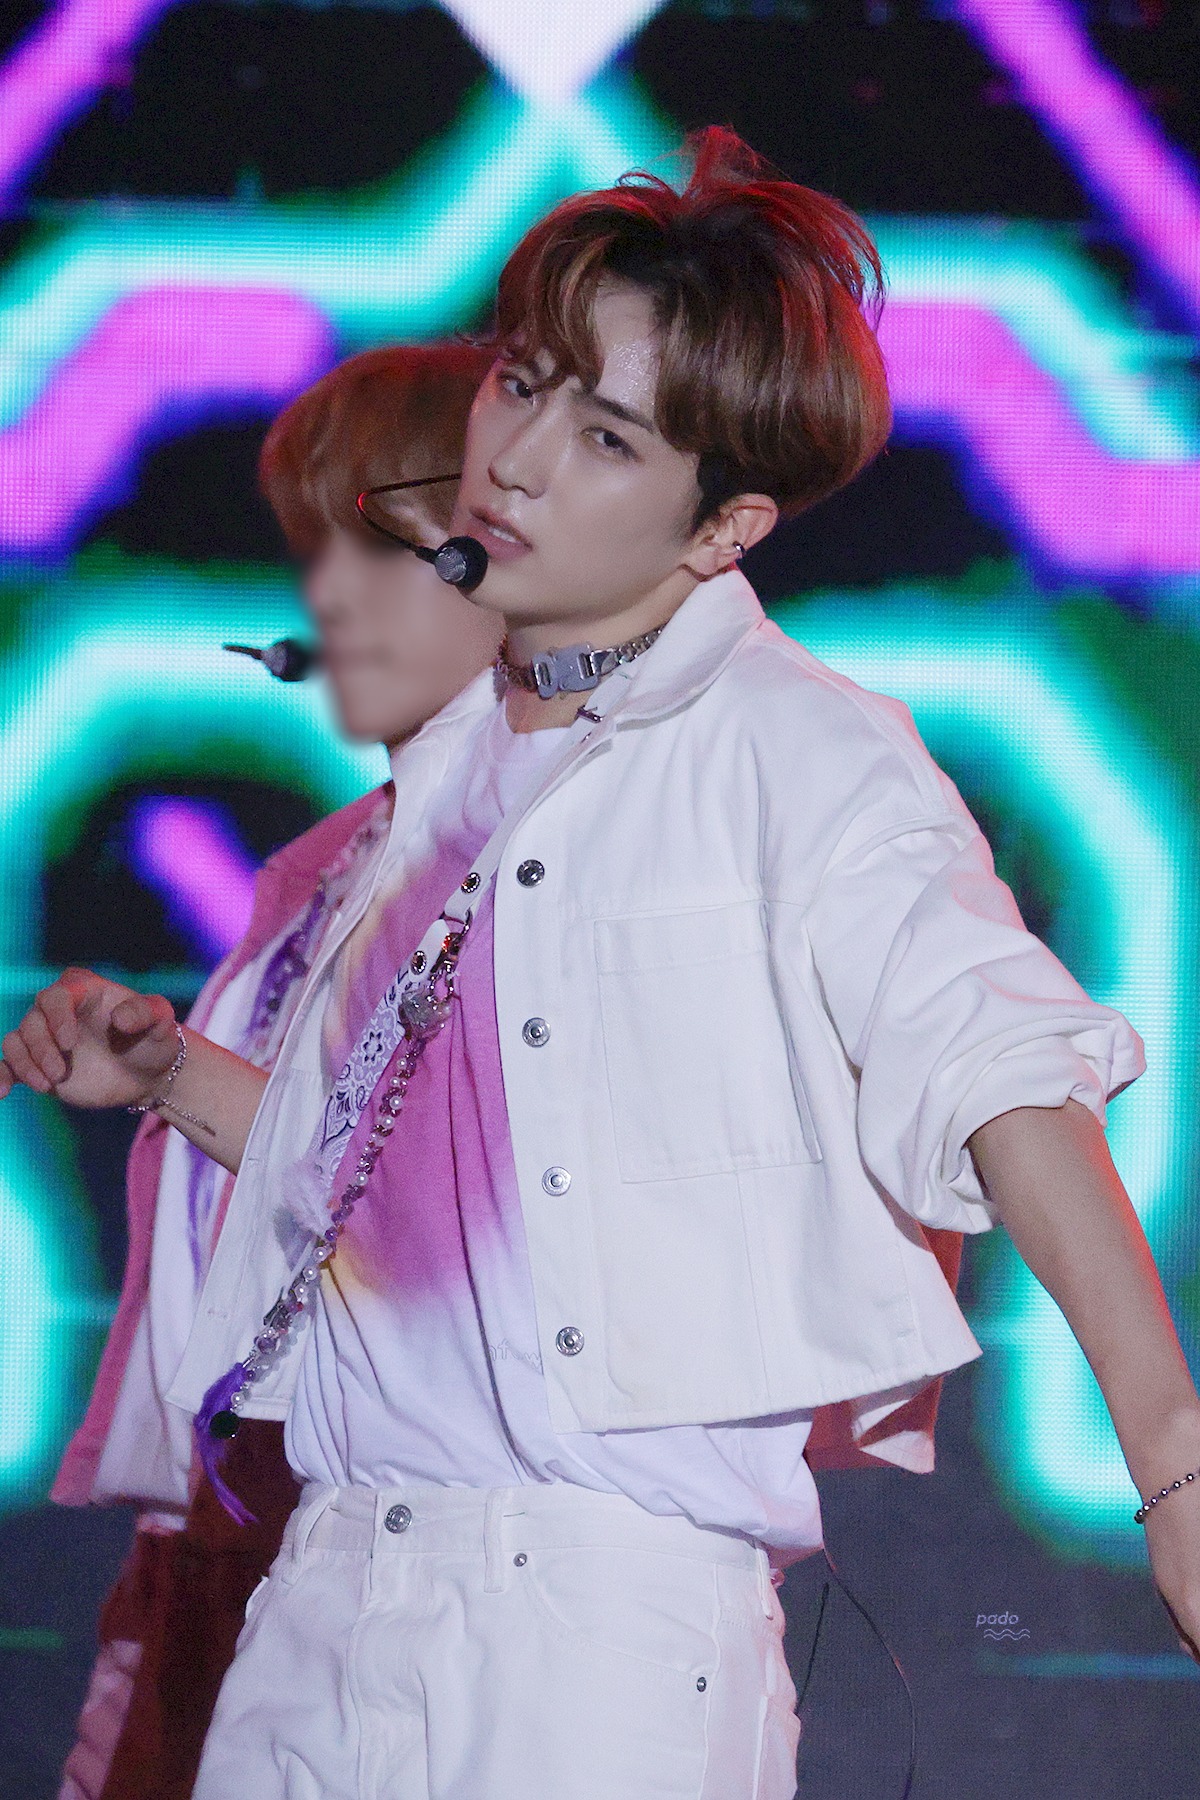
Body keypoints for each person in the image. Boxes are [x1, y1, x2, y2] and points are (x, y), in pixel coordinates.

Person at [7, 129, 1199, 1799]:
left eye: (607, 437)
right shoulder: (443, 777)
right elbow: (391, 1193)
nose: (515, 459)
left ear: (726, 526)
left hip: (591, 1624)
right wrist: (176, 1080)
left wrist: (1172, 1458)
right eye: (521, 384)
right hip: (326, 1593)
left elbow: (1001, 1073)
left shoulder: (802, 751)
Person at [50, 340, 500, 1800]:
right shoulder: (330, 863)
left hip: (405, 1523)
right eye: (313, 551)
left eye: (378, 545)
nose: (327, 597)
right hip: (232, 1498)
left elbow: (399, 1179)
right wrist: (157, 1065)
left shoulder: (551, 847)